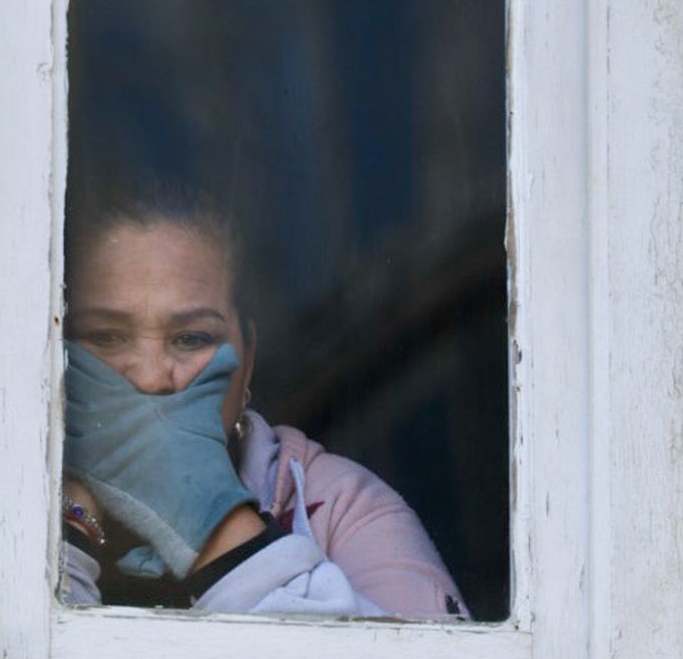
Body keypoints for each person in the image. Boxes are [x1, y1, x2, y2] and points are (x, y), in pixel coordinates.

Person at [61, 177, 470, 621]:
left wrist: (209, 519)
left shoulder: (339, 508)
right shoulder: (6, 489)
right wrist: (71, 518)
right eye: (106, 337)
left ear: (249, 362)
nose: (152, 377)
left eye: (191, 338)